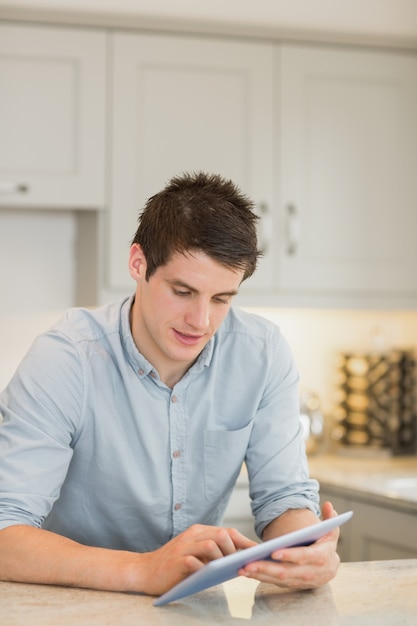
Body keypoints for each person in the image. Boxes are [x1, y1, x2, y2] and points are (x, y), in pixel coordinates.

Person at [0, 171, 339, 596]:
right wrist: (143, 570)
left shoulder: (262, 353)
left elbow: (284, 499)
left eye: (221, 299)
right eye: (182, 291)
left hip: (193, 607)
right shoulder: (67, 358)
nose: (201, 322)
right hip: (71, 603)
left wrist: (306, 547)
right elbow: (5, 533)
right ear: (138, 263)